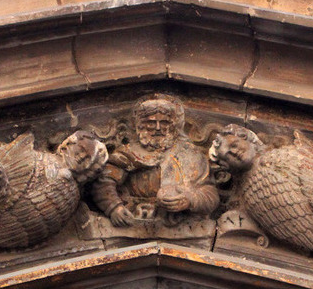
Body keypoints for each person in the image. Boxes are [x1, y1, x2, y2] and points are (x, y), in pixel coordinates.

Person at [92, 94, 219, 227]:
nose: (158, 128)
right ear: (140, 126)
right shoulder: (127, 153)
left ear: (174, 125)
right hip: (133, 221)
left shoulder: (191, 155)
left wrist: (190, 200)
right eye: (151, 123)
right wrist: (114, 208)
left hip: (183, 224)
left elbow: (210, 194)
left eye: (164, 122)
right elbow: (104, 180)